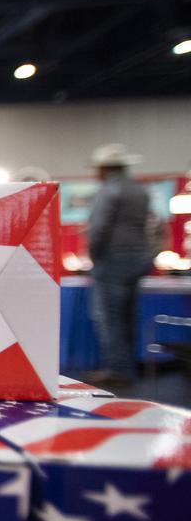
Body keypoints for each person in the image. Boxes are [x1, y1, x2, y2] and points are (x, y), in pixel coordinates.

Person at [85, 143, 153, 388]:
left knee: (110, 317)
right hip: (138, 257)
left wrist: (93, 255)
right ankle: (128, 366)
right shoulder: (139, 191)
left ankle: (118, 369)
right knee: (128, 315)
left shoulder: (108, 192)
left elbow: (99, 228)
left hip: (113, 259)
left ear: (105, 168)